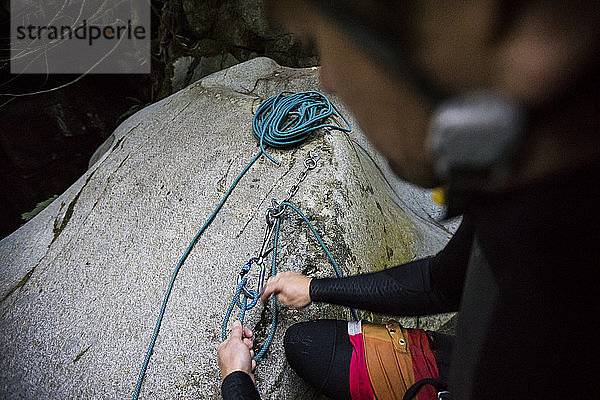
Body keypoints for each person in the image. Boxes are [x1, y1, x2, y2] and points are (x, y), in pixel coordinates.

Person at [218, 1, 600, 399]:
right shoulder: (523, 201)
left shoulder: (552, 339)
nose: (327, 79)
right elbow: (441, 282)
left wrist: (237, 382)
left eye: (326, 42)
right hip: (465, 356)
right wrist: (315, 287)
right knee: (306, 344)